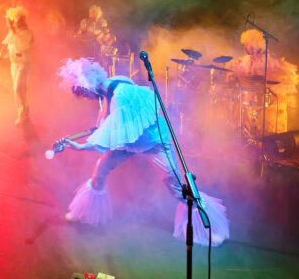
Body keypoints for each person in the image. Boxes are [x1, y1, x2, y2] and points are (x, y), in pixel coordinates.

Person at [56, 58, 229, 246]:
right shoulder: (111, 86)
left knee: (178, 190)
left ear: (88, 86)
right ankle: (84, 213)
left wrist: (80, 146)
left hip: (155, 142)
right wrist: (99, 124)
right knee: (101, 168)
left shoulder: (119, 97)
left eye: (83, 93)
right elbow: (106, 119)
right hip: (132, 140)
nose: (85, 98)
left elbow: (110, 131)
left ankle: (209, 228)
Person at [234, 29, 299, 135]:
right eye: (244, 44)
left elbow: (281, 78)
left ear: (255, 45)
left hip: (271, 99)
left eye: (247, 44)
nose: (245, 47)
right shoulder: (246, 60)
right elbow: (242, 76)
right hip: (255, 98)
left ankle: (272, 138)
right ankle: (250, 135)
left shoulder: (267, 60)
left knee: (270, 122)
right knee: (247, 112)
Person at [2, 6, 34, 126]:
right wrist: (5, 55)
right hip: (14, 64)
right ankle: (23, 113)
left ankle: (23, 113)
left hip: (23, 63)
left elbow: (21, 46)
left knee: (18, 88)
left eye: (14, 21)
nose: (12, 23)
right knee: (19, 90)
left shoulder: (27, 32)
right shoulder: (13, 32)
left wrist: (13, 31)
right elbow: (11, 46)